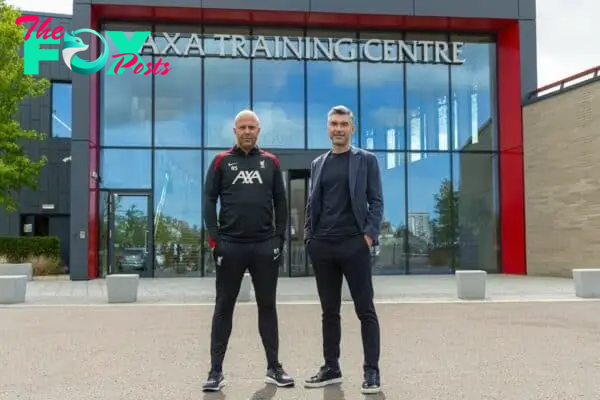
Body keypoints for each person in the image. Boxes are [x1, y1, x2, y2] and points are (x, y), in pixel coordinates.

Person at [202, 109, 294, 392]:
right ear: (235, 131)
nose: (247, 131)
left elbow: (281, 202)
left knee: (267, 307)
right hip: (230, 246)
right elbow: (209, 200)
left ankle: (273, 367)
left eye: (251, 127)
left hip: (265, 247)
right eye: (242, 127)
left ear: (258, 130)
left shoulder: (271, 162)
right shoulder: (220, 161)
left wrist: (279, 239)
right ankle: (215, 372)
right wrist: (215, 240)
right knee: (223, 308)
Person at [303, 105, 384, 395]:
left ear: (352, 128)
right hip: (323, 246)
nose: (338, 128)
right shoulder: (318, 163)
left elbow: (376, 201)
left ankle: (371, 372)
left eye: (344, 124)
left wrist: (368, 237)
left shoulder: (366, 160)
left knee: (366, 311)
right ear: (328, 128)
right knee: (329, 312)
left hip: (354, 245)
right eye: (334, 124)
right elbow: (312, 204)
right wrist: (309, 238)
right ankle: (331, 367)